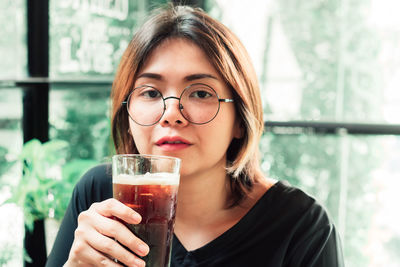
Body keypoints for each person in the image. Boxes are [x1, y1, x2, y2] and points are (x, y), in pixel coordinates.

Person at [46, 4, 344, 267]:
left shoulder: (301, 226)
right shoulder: (99, 194)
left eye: (200, 93)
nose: (171, 113)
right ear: (127, 114)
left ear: (241, 119)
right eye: (150, 92)